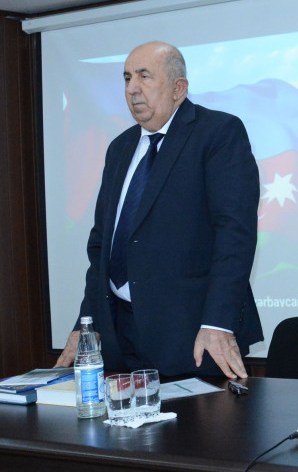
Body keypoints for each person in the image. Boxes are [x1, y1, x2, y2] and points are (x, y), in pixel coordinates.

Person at [55, 41, 263, 379]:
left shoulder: (217, 133)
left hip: (193, 337)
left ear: (178, 88)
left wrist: (217, 323)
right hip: (119, 337)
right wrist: (87, 323)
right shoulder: (120, 148)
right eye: (127, 78)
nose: (132, 88)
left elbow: (234, 235)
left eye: (144, 76)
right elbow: (102, 245)